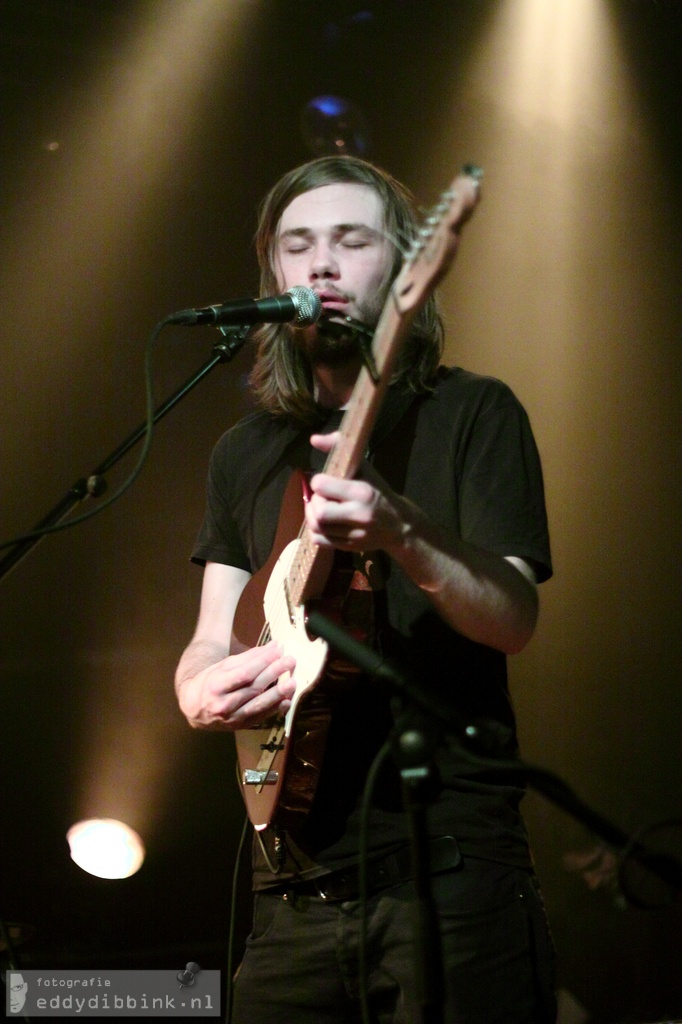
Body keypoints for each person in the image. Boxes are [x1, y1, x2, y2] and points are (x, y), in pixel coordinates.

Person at [174, 154, 556, 1024]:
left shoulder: (477, 413)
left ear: (406, 266)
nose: (321, 264)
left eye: (352, 240)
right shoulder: (244, 453)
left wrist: (403, 531)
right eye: (297, 244)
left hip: (448, 878)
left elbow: (515, 619)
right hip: (290, 893)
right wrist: (196, 690)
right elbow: (207, 637)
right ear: (272, 269)